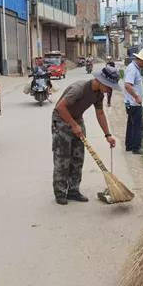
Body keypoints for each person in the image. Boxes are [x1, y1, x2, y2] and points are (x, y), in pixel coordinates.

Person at [51, 66, 120, 205]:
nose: (109, 90)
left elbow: (100, 113)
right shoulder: (79, 88)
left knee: (78, 157)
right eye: (108, 86)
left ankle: (73, 190)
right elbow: (60, 107)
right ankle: (60, 192)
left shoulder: (99, 94)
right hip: (61, 120)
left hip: (77, 120)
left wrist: (108, 135)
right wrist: (73, 125)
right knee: (63, 158)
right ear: (100, 81)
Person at [123, 49, 143, 154]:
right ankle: (136, 147)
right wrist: (136, 96)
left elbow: (134, 85)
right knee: (136, 125)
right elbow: (127, 85)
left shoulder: (135, 68)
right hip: (133, 103)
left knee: (131, 124)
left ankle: (129, 145)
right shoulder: (132, 69)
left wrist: (141, 96)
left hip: (133, 102)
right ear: (140, 60)